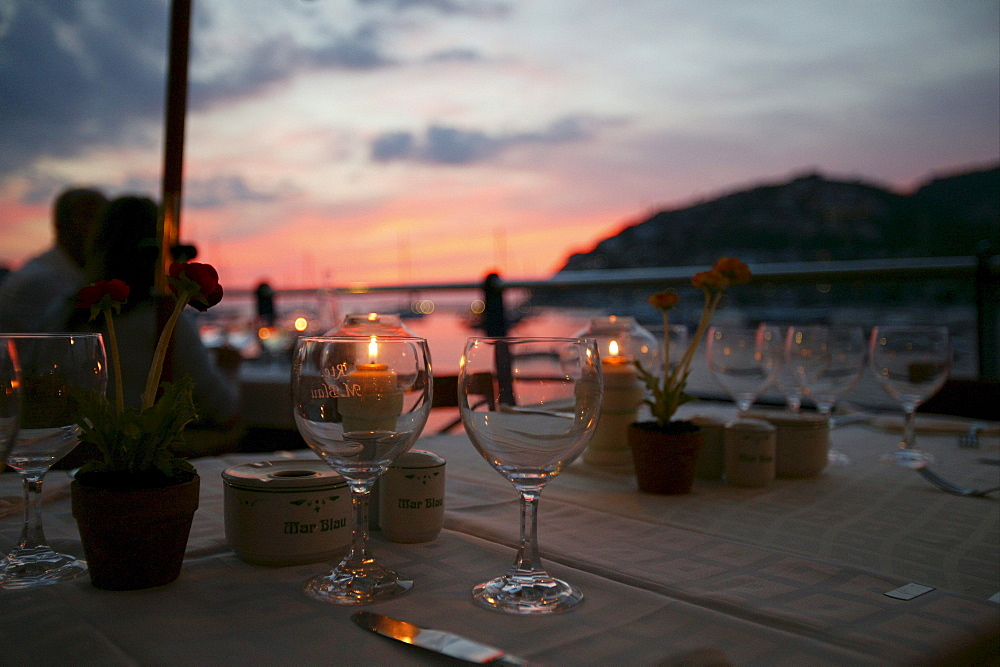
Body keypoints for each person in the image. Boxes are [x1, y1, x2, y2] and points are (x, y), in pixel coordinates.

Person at [65, 196, 242, 434]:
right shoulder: (162, 321)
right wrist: (229, 368)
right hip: (144, 457)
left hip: (74, 459)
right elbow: (222, 407)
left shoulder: (62, 313)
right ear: (157, 250)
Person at [0, 187, 107, 332]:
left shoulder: (64, 272)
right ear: (62, 225)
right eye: (90, 217)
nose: (100, 227)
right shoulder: (40, 282)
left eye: (103, 219)